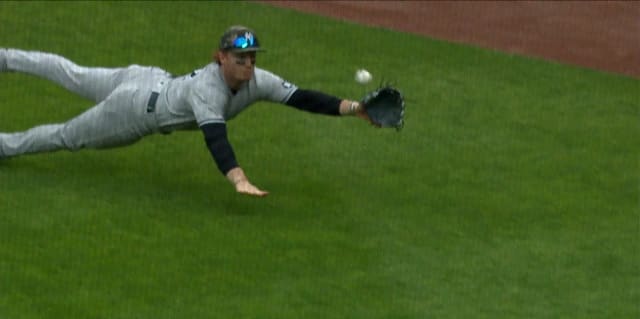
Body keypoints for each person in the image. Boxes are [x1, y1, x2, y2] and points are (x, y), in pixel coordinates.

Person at [0, 25, 373, 197]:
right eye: (240, 58)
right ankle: (5, 146)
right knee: (67, 136)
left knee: (74, 73)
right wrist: (239, 179)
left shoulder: (259, 80)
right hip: (131, 112)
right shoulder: (207, 90)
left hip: (145, 78)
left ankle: (6, 59)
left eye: (252, 58)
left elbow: (304, 98)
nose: (248, 65)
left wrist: (354, 108)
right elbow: (216, 139)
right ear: (221, 58)